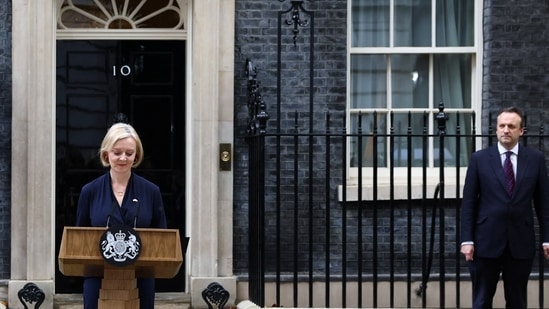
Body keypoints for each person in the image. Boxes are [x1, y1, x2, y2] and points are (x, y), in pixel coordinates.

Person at [460, 106, 549, 309]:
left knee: (517, 301)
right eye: (502, 125)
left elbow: (544, 203)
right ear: (496, 129)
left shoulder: (535, 160)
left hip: (520, 243)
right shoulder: (479, 159)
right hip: (485, 242)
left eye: (511, 126)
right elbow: (468, 203)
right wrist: (467, 239)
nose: (506, 130)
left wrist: (547, 239)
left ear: (521, 131)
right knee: (482, 301)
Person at [75, 121, 167, 309]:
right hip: (98, 275)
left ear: (136, 156)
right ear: (106, 154)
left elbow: (162, 237)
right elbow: (79, 239)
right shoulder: (89, 191)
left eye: (129, 153)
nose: (123, 158)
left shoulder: (151, 192)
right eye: (117, 152)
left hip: (140, 277)